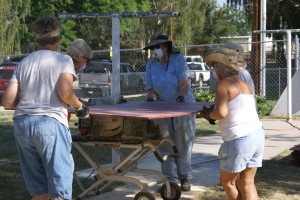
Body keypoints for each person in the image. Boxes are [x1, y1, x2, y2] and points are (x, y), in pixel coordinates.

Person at [2, 16, 90, 200]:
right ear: (58, 38)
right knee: (60, 188)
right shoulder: (63, 60)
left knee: (39, 189)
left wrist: (29, 103)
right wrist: (80, 107)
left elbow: (7, 101)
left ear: (37, 39)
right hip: (50, 124)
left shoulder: (24, 62)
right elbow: (65, 93)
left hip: (23, 125)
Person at [202, 45, 265, 200]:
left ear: (222, 68)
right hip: (256, 135)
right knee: (247, 183)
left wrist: (207, 114)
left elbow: (221, 113)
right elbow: (236, 107)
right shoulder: (244, 84)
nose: (214, 71)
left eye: (214, 66)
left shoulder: (223, 84)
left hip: (239, 139)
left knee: (228, 182)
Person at [143, 32, 196, 192]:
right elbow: (149, 87)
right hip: (162, 108)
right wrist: (152, 96)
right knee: (164, 143)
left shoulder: (178, 60)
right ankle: (169, 180)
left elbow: (183, 83)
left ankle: (184, 177)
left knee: (183, 142)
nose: (155, 51)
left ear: (165, 46)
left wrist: (180, 97)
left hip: (182, 106)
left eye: (157, 47)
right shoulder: (151, 64)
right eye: (153, 48)